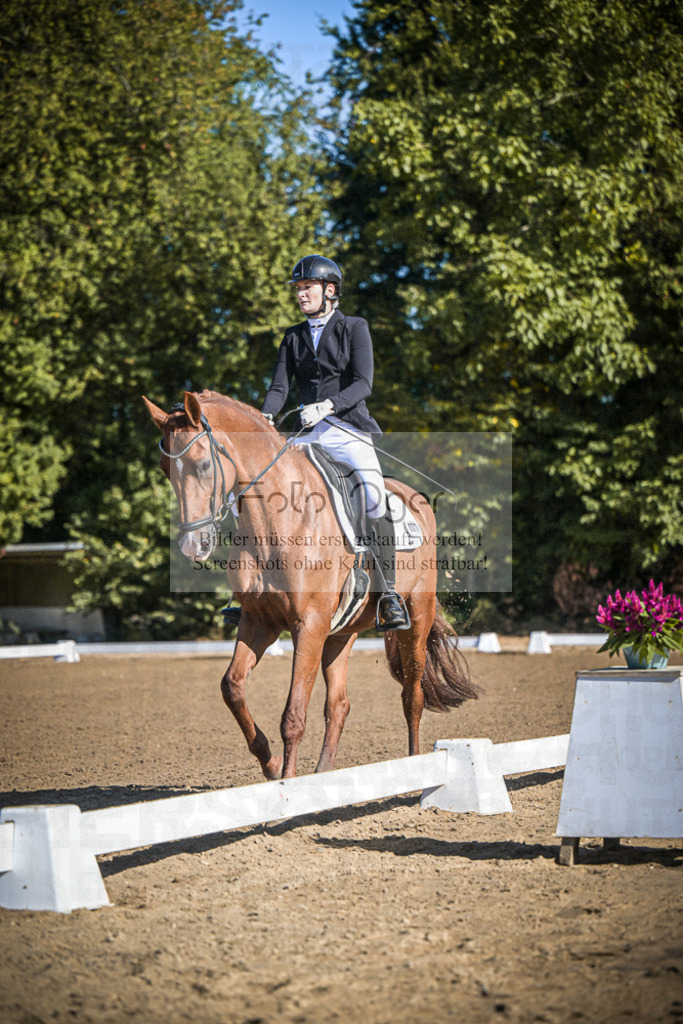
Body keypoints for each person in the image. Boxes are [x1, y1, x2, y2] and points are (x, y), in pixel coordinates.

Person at [261, 254, 409, 630]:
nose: (300, 294)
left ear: (330, 290)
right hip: (307, 434)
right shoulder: (292, 336)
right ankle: (253, 588)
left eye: (306, 287)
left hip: (347, 430)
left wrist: (328, 405)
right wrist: (264, 418)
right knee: (261, 491)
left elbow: (364, 383)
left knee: (374, 496)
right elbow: (280, 386)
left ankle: (388, 593)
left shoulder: (354, 327)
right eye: (297, 289)